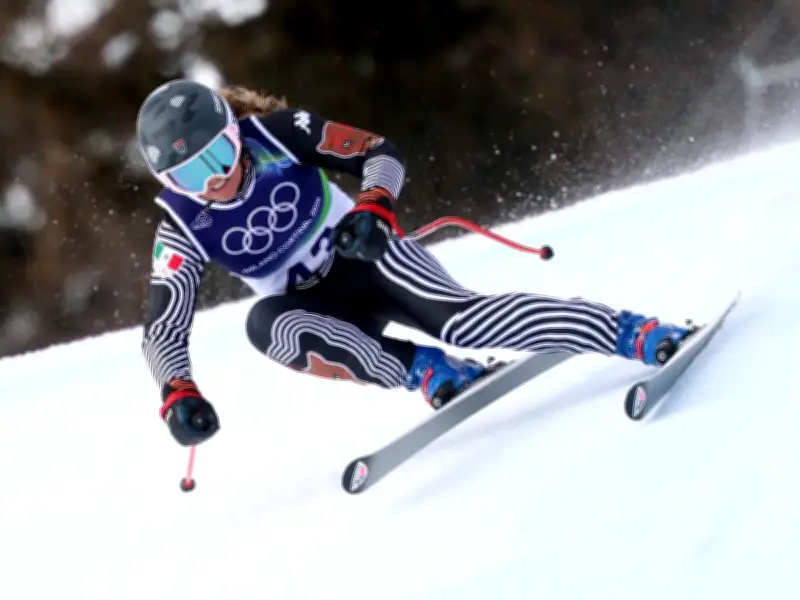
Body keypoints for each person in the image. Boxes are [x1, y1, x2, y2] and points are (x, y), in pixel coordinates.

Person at [137, 79, 694, 448]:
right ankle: (429, 370)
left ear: (235, 132)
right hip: (321, 310)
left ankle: (631, 331)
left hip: (370, 258)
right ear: (169, 182)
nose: (216, 179)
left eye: (220, 154)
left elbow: (378, 151)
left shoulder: (278, 136)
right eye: (191, 175)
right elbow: (163, 327)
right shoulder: (181, 225)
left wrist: (375, 208)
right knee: (267, 327)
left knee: (465, 322)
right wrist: (176, 392)